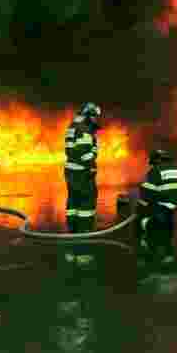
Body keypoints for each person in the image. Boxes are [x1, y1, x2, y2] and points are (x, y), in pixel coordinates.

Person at [64, 103, 101, 264]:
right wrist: (92, 166)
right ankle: (84, 248)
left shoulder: (72, 126)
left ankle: (73, 234)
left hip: (71, 172)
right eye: (94, 116)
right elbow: (85, 153)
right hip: (82, 173)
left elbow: (71, 150)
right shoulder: (85, 130)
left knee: (73, 202)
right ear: (88, 115)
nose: (95, 119)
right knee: (86, 203)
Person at [137, 148, 177, 269]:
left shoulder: (155, 171)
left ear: (156, 161)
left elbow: (147, 192)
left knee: (145, 220)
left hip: (160, 204)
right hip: (173, 205)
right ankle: (168, 251)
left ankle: (148, 239)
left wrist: (141, 206)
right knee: (167, 226)